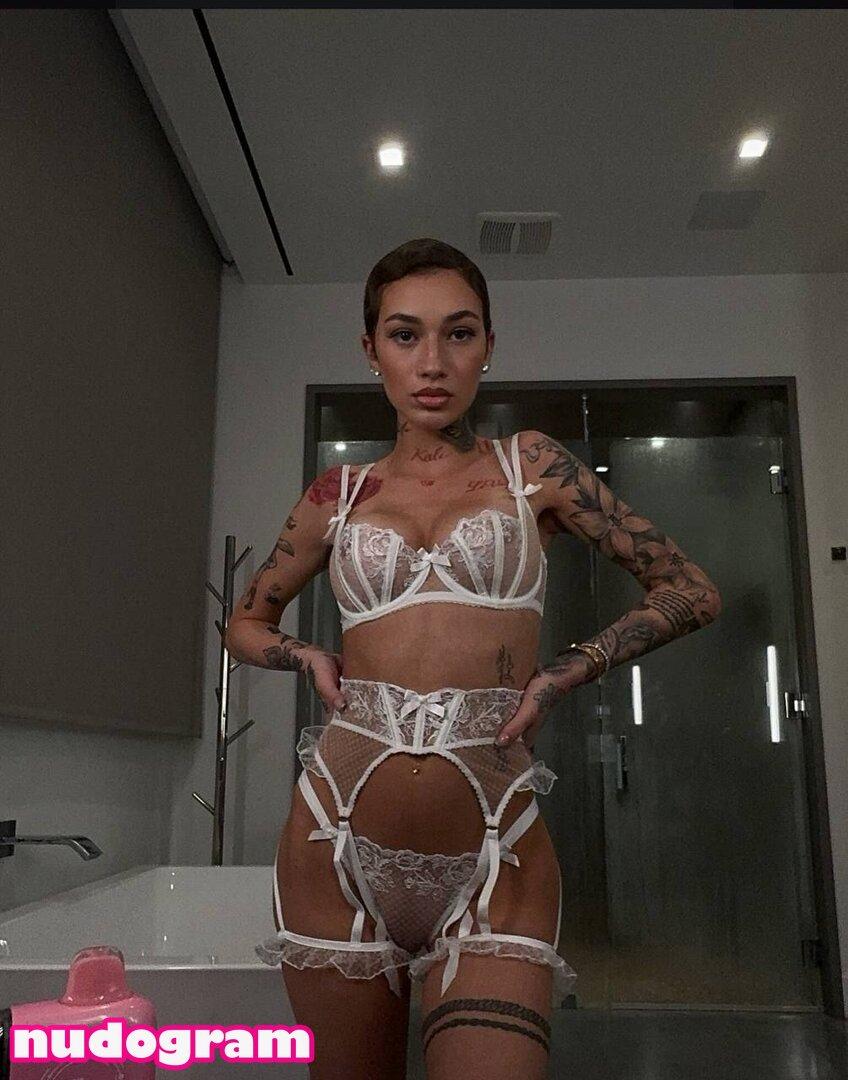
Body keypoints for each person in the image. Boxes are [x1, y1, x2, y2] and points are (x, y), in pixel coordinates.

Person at [225, 238, 722, 1080]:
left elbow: (690, 589)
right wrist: (306, 655)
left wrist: (568, 669)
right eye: (404, 335)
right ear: (371, 349)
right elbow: (242, 623)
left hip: (498, 847)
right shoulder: (335, 494)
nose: (432, 362)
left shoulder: (531, 467)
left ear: (488, 344)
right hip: (332, 839)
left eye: (458, 333)